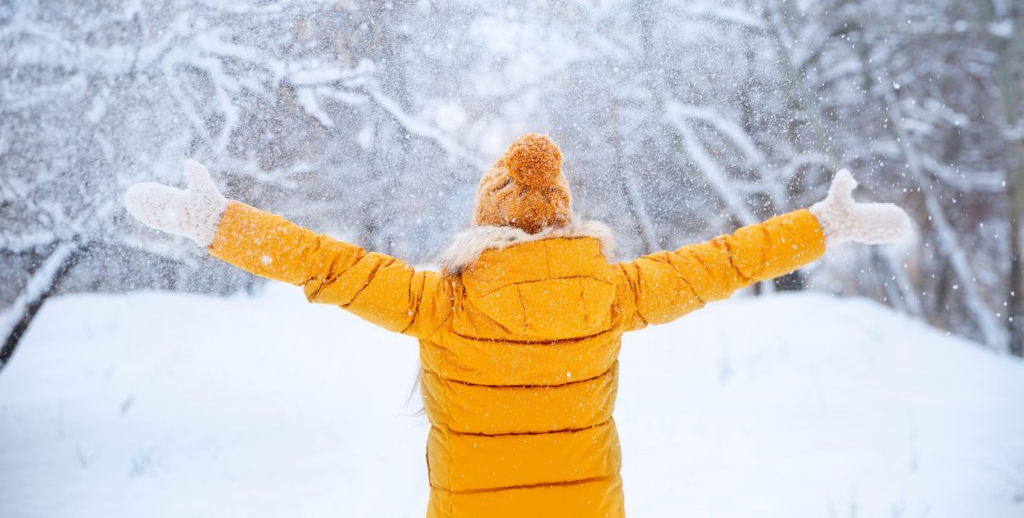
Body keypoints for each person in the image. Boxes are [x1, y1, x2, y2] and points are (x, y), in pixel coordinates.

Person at [125, 133, 910, 518]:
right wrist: (823, 225)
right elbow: (725, 262)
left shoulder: (440, 300)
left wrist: (218, 223)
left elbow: (322, 263)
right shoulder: (612, 291)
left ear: (485, 220)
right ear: (563, 214)